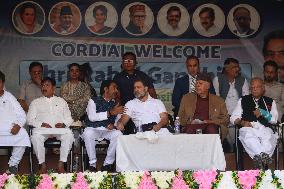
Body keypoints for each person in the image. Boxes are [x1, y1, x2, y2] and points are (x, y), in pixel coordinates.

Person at [27, 77, 74, 173]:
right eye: (43, 85)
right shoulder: (35, 102)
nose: (44, 87)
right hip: (42, 129)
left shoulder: (61, 101)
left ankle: (61, 164)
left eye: (47, 85)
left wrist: (64, 124)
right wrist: (41, 124)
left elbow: (69, 118)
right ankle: (42, 164)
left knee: (69, 135)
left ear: (53, 88)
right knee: (35, 137)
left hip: (59, 129)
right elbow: (29, 120)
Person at [230, 78, 278, 169]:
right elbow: (233, 118)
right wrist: (242, 122)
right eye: (252, 87)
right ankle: (263, 159)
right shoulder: (243, 100)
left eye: (257, 87)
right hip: (249, 127)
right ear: (250, 89)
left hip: (264, 127)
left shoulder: (270, 101)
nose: (254, 89)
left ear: (263, 88)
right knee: (248, 136)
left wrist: (264, 113)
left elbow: (274, 120)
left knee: (268, 138)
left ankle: (259, 159)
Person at [82, 80, 124, 171]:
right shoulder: (93, 101)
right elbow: (92, 117)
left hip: (108, 131)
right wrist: (110, 113)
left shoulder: (115, 103)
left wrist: (117, 125)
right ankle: (92, 164)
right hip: (94, 129)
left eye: (117, 88)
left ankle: (107, 164)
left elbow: (118, 120)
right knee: (87, 133)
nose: (116, 90)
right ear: (106, 89)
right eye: (114, 87)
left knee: (118, 134)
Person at [113, 52, 157, 134]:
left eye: (131, 61)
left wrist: (153, 106)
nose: (128, 63)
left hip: (142, 109)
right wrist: (117, 109)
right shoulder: (118, 78)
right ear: (122, 63)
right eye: (126, 61)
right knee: (122, 133)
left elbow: (152, 92)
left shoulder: (142, 76)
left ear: (136, 63)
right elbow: (116, 96)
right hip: (125, 110)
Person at [178, 73, 229, 140]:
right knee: (189, 130)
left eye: (200, 83)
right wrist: (190, 121)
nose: (197, 85)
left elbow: (225, 118)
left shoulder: (218, 100)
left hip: (210, 125)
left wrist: (210, 121)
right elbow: (180, 117)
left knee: (211, 128)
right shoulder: (187, 98)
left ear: (208, 86)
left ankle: (212, 150)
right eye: (196, 83)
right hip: (192, 125)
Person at [212, 58, 249, 150]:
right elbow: (216, 100)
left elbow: (246, 99)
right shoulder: (218, 79)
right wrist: (223, 115)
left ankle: (237, 151)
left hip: (238, 116)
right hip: (223, 115)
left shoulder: (243, 80)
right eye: (234, 67)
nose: (237, 69)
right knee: (225, 140)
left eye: (238, 67)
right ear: (226, 68)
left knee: (238, 140)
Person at [0, 71, 30, 174]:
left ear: (3, 83)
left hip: (9, 129)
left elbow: (22, 115)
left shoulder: (9, 97)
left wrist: (18, 125)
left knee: (23, 134)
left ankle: (13, 165)